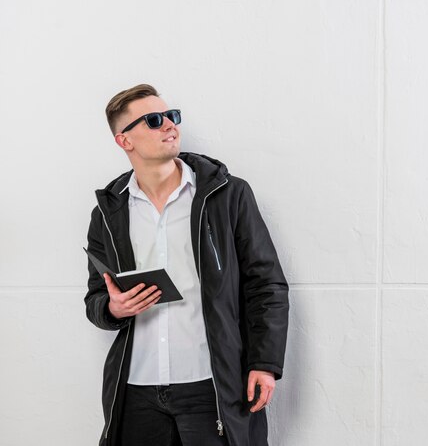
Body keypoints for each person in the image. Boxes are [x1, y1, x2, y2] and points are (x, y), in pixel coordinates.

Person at [84, 84, 289, 446]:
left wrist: (265, 363)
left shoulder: (227, 195)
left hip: (210, 384)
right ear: (124, 141)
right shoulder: (108, 211)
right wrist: (113, 308)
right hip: (136, 391)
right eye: (153, 120)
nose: (170, 125)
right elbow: (96, 299)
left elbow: (266, 284)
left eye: (172, 116)